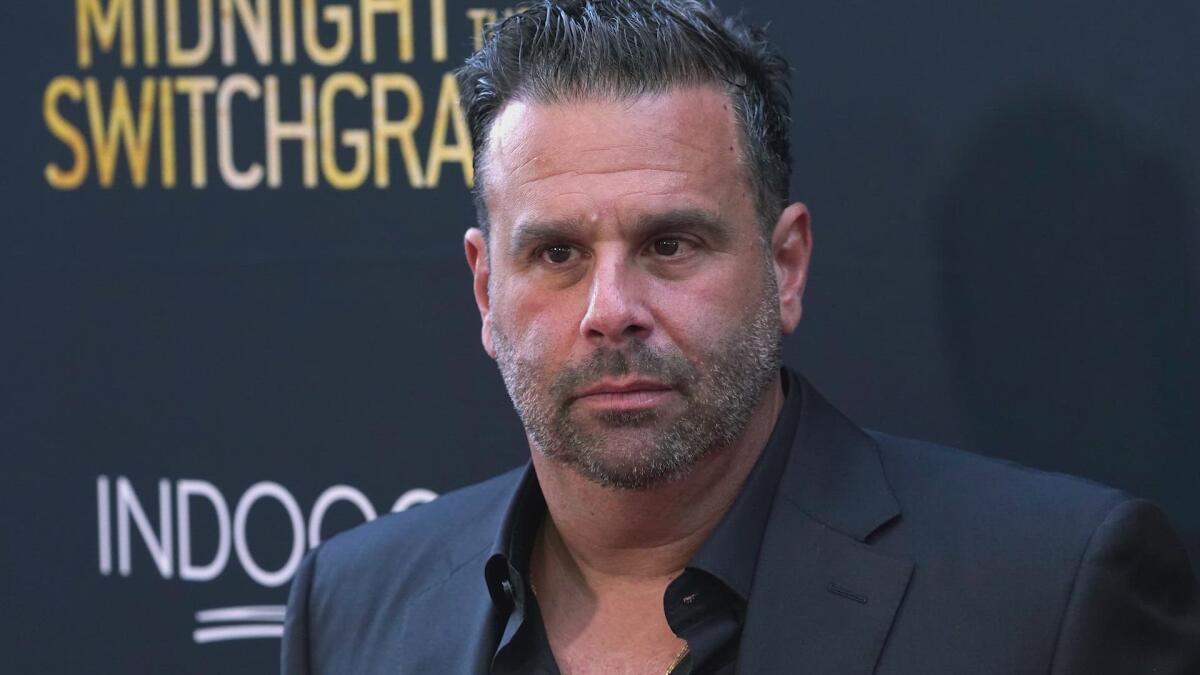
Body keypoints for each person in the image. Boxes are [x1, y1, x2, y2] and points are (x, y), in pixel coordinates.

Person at [281, 1, 1200, 672]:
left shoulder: (1051, 595)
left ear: (785, 263)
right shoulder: (351, 606)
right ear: (486, 288)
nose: (611, 307)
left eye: (669, 243)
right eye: (557, 252)